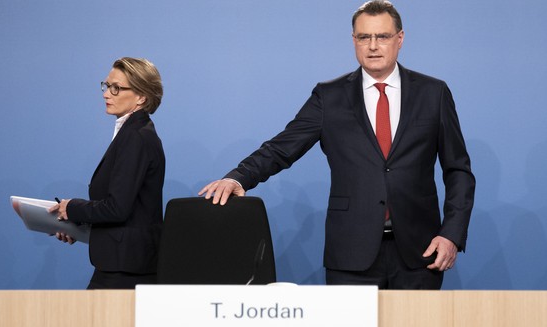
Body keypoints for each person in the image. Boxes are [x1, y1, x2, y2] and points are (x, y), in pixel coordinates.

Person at [199, 0, 475, 289]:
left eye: (382, 37)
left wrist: (452, 234)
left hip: (420, 252)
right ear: (353, 41)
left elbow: (458, 171)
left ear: (400, 39)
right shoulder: (329, 97)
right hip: (351, 254)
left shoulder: (433, 93)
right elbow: (282, 147)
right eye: (364, 37)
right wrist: (238, 177)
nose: (373, 46)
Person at [49, 57, 165, 289]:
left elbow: (117, 208)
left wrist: (71, 207)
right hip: (121, 263)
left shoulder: (136, 137)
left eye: (116, 88)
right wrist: (76, 224)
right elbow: (128, 210)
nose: (106, 94)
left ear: (141, 97)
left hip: (127, 269)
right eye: (106, 85)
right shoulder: (132, 133)